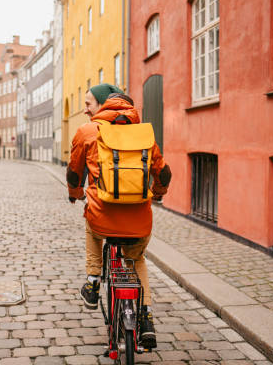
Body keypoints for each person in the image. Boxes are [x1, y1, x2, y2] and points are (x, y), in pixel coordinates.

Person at [67, 83, 171, 349]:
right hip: (138, 220)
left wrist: (75, 193)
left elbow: (74, 172)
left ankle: (92, 281)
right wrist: (158, 193)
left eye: (89, 103)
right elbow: (162, 172)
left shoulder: (87, 131)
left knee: (91, 225)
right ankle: (146, 316)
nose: (85, 108)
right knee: (136, 258)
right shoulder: (144, 133)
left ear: (104, 105)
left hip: (102, 217)